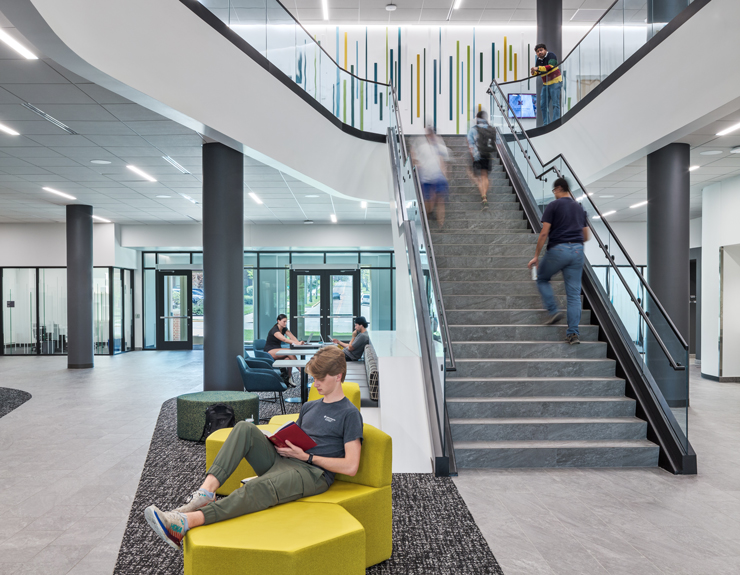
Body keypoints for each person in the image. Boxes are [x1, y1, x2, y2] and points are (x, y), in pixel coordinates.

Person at [144, 345, 363, 550]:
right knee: (243, 428)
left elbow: (351, 466)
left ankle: (184, 523)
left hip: (313, 473)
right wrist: (276, 441)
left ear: (338, 376)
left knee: (256, 487)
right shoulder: (310, 406)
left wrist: (306, 457)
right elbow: (296, 436)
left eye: (320, 378)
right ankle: (206, 492)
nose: (315, 383)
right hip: (287, 458)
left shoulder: (349, 414)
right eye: (314, 377)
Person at [527, 177, 590, 345]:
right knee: (574, 295)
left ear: (560, 188)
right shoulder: (579, 208)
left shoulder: (553, 205)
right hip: (577, 251)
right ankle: (573, 333)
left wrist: (536, 256)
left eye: (554, 191)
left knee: (542, 278)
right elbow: (586, 236)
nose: (553, 194)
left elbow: (543, 233)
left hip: (558, 249)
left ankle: (553, 310)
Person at [411, 126, 450, 227]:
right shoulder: (422, 146)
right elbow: (414, 157)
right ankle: (427, 215)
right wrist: (416, 164)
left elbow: (444, 159)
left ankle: (440, 223)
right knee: (429, 200)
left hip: (439, 178)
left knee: (440, 200)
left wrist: (445, 173)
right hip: (426, 178)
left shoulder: (439, 144)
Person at [466, 110, 496, 209]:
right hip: (487, 155)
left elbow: (471, 145)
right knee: (485, 176)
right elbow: (497, 144)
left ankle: (483, 196)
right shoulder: (490, 128)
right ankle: (484, 196)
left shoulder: (473, 129)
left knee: (475, 175)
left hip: (478, 155)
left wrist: (473, 156)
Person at [264, 314, 304, 386]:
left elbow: (292, 336)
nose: (285, 323)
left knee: (289, 359)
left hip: (277, 350)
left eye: (286, 321)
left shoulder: (284, 328)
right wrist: (297, 343)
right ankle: (301, 370)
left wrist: (298, 343)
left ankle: (289, 378)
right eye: (284, 321)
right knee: (288, 351)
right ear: (278, 321)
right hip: (270, 351)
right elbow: (284, 339)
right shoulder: (275, 330)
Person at [530, 43, 562, 126]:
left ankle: (555, 123)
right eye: (537, 51)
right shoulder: (538, 60)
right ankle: (546, 124)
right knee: (543, 105)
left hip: (555, 82)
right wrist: (534, 72)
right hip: (546, 84)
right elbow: (539, 72)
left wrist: (537, 68)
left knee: (555, 104)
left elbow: (550, 66)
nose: (539, 52)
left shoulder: (551, 55)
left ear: (545, 50)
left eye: (541, 50)